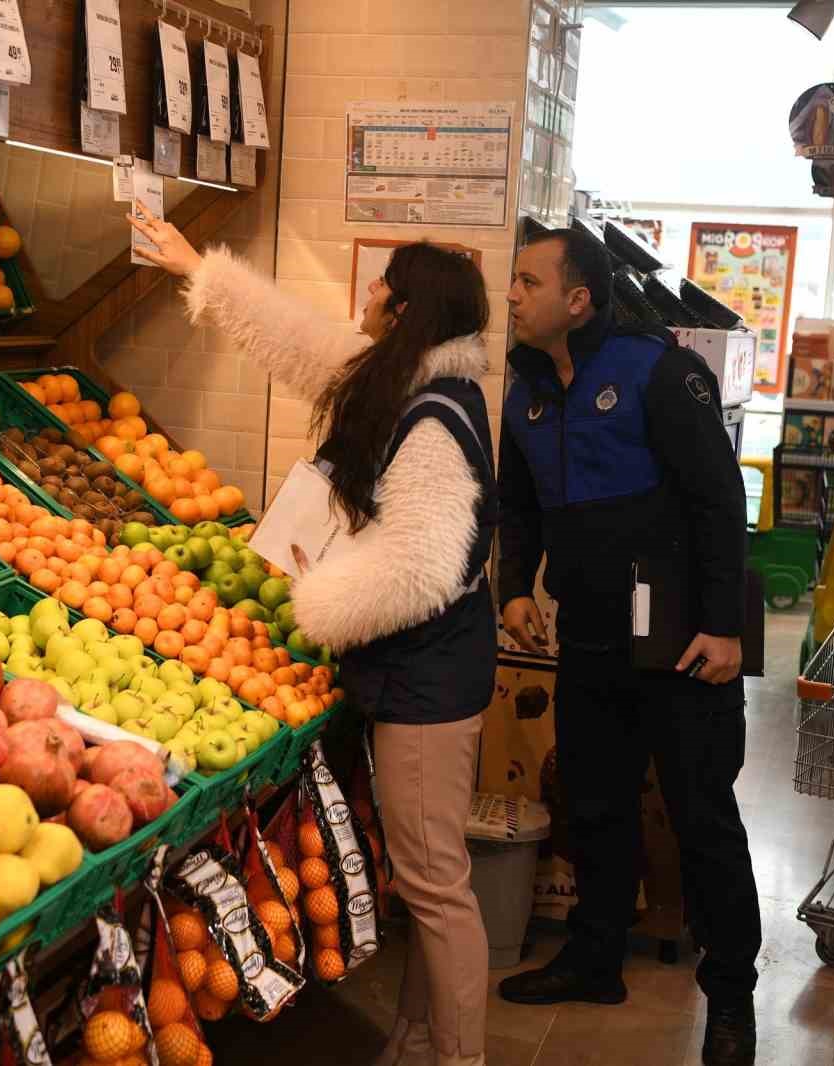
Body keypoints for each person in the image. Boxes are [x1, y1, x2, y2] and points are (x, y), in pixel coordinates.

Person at [126, 207, 498, 1066]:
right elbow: (298, 343)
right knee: (425, 878)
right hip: (425, 674)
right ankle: (415, 1039)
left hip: (429, 686)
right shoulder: (408, 379)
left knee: (438, 887)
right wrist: (200, 270)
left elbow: (420, 565)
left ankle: (460, 1057)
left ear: (404, 312)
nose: (365, 295)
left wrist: (316, 598)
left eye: (381, 287)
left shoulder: (435, 421)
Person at [494, 228, 761, 1066]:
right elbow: (520, 503)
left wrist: (725, 626)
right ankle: (594, 956)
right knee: (598, 803)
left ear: (578, 301)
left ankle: (731, 996)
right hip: (593, 639)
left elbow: (721, 502)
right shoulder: (525, 387)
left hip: (684, 642)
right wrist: (512, 586)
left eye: (528, 282)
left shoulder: (657, 371)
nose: (511, 295)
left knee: (701, 817)